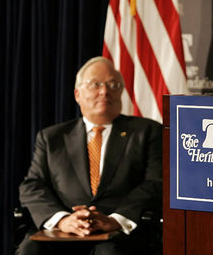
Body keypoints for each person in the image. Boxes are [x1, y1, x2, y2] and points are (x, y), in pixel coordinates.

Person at [16, 56, 162, 254]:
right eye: (95, 84)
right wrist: (62, 220)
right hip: (64, 230)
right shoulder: (52, 137)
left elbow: (155, 183)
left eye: (113, 84)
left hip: (118, 233)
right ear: (77, 94)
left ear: (121, 91)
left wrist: (115, 220)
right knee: (29, 250)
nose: (104, 91)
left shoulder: (148, 132)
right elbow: (32, 185)